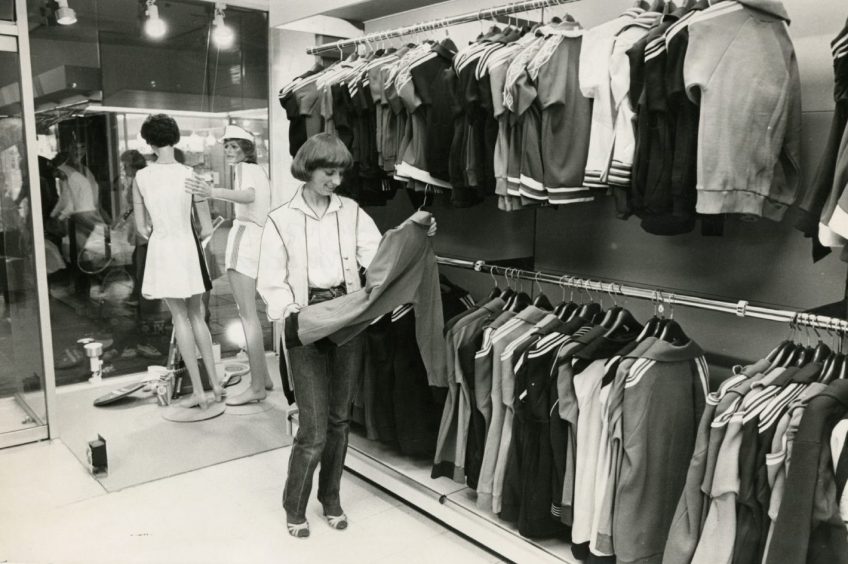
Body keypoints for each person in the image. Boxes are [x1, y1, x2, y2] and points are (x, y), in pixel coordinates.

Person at [257, 133, 436, 538]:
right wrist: (293, 316)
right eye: (328, 172)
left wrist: (415, 235)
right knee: (313, 427)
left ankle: (331, 498)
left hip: (348, 318)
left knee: (339, 420)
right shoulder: (281, 220)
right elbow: (271, 280)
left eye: (340, 173)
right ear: (308, 169)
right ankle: (295, 505)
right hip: (305, 321)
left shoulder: (352, 212)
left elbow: (378, 258)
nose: (335, 180)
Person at [133, 113, 223, 409]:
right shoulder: (190, 174)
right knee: (197, 315)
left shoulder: (141, 177)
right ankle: (217, 385)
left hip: (162, 247)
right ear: (175, 138)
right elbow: (207, 227)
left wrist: (159, 232)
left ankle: (198, 392)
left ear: (149, 142)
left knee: (179, 318)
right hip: (188, 246)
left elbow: (141, 229)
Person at [185, 125, 273, 405]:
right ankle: (264, 379)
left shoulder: (247, 169)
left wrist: (212, 191)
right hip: (257, 236)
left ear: (247, 149)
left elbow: (248, 196)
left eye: (235, 146)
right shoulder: (257, 170)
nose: (229, 151)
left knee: (247, 314)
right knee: (252, 313)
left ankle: (257, 386)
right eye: (227, 146)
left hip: (246, 236)